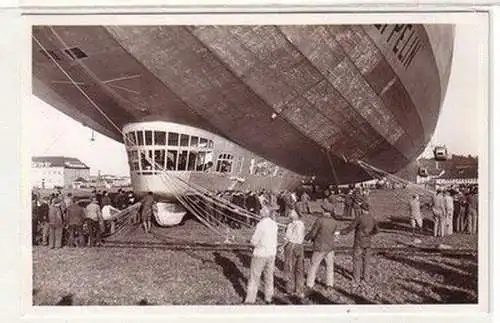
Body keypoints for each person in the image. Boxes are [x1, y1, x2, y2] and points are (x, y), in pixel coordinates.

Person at [337, 202, 379, 288]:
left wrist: (340, 232)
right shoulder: (372, 218)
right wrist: (370, 234)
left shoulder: (359, 218)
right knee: (366, 261)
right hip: (368, 243)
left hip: (359, 242)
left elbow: (350, 228)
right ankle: (366, 279)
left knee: (356, 260)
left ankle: (356, 279)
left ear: (362, 210)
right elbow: (377, 230)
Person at [244, 208, 278, 304]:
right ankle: (269, 297)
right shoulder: (274, 224)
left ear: (263, 214)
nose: (260, 213)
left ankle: (250, 299)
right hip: (271, 253)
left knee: (254, 276)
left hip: (260, 254)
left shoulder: (261, 225)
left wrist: (250, 243)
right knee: (269, 276)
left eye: (261, 211)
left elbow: (255, 240)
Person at [304, 211, 339, 289]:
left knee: (314, 265)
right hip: (330, 247)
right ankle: (330, 284)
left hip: (320, 246)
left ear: (325, 211)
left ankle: (310, 284)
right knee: (330, 266)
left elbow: (313, 233)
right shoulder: (334, 222)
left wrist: (307, 237)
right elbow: (335, 235)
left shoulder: (320, 220)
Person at [282, 209, 306, 298]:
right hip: (300, 246)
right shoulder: (301, 224)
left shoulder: (291, 225)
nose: (289, 213)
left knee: (289, 267)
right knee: (299, 269)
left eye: (291, 212)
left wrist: (281, 247)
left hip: (292, 246)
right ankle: (299, 290)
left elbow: (287, 238)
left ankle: (290, 290)